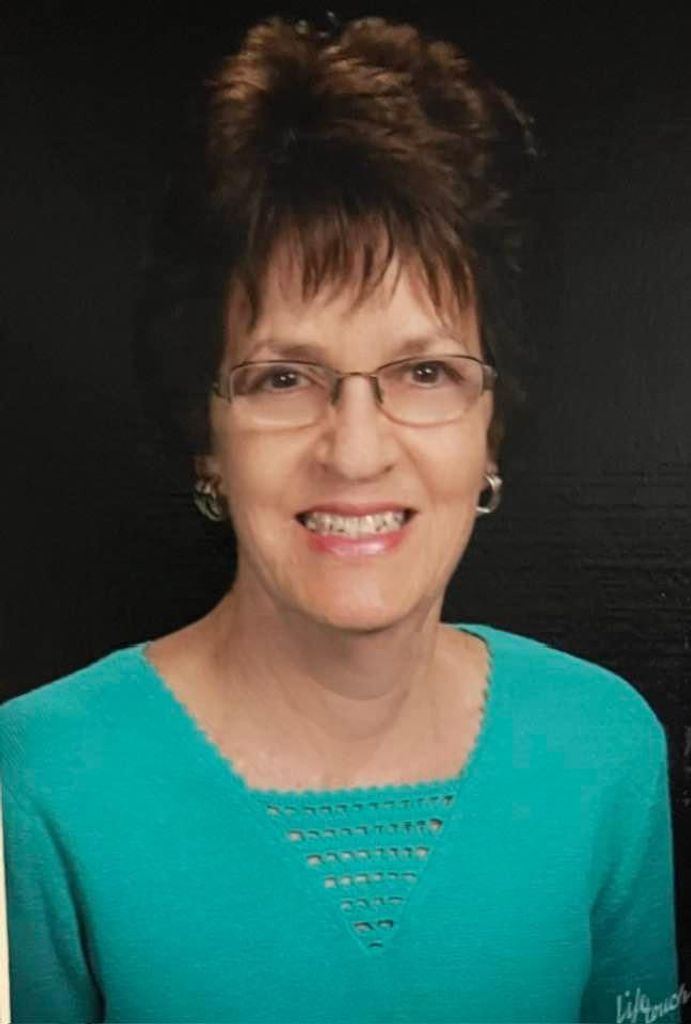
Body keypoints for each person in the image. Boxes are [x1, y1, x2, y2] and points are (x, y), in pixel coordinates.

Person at [0, 14, 681, 1024]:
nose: (355, 450)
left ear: (494, 428)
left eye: (424, 371)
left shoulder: (603, 749)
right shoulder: (38, 782)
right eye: (283, 376)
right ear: (205, 434)